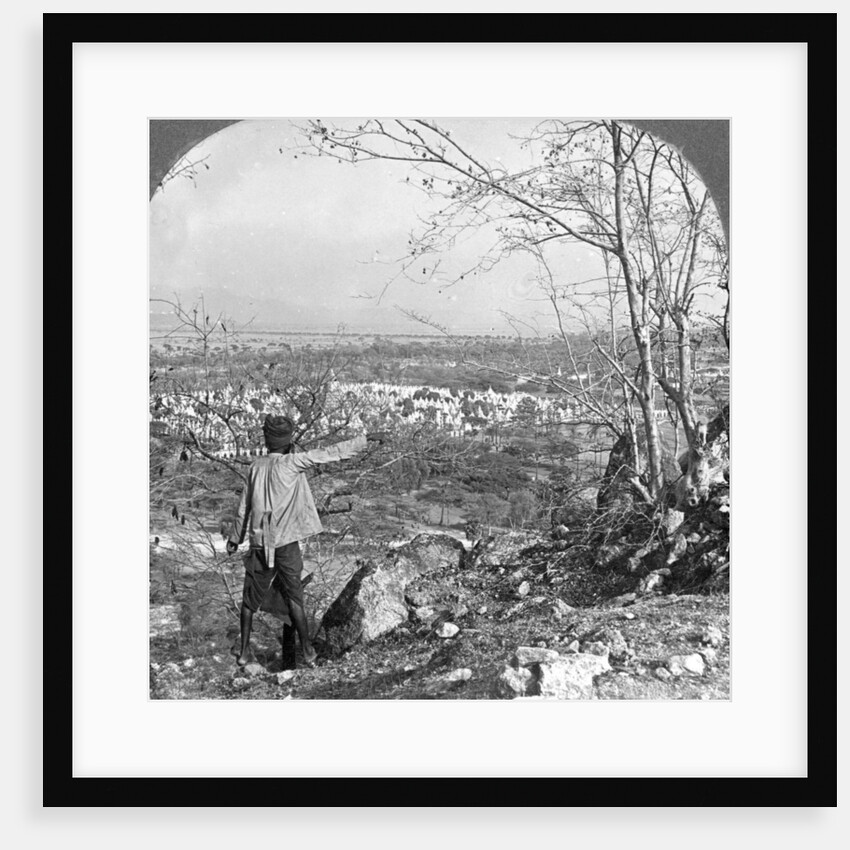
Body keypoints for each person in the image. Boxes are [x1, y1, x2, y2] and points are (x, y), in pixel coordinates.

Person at [226, 414, 380, 669]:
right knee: (295, 598)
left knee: (248, 602)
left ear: (267, 441)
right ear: (287, 442)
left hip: (258, 544)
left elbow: (244, 506)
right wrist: (366, 439)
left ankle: (243, 653)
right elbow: (331, 452)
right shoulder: (292, 462)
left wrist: (235, 538)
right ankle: (308, 651)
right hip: (285, 543)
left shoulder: (255, 466)